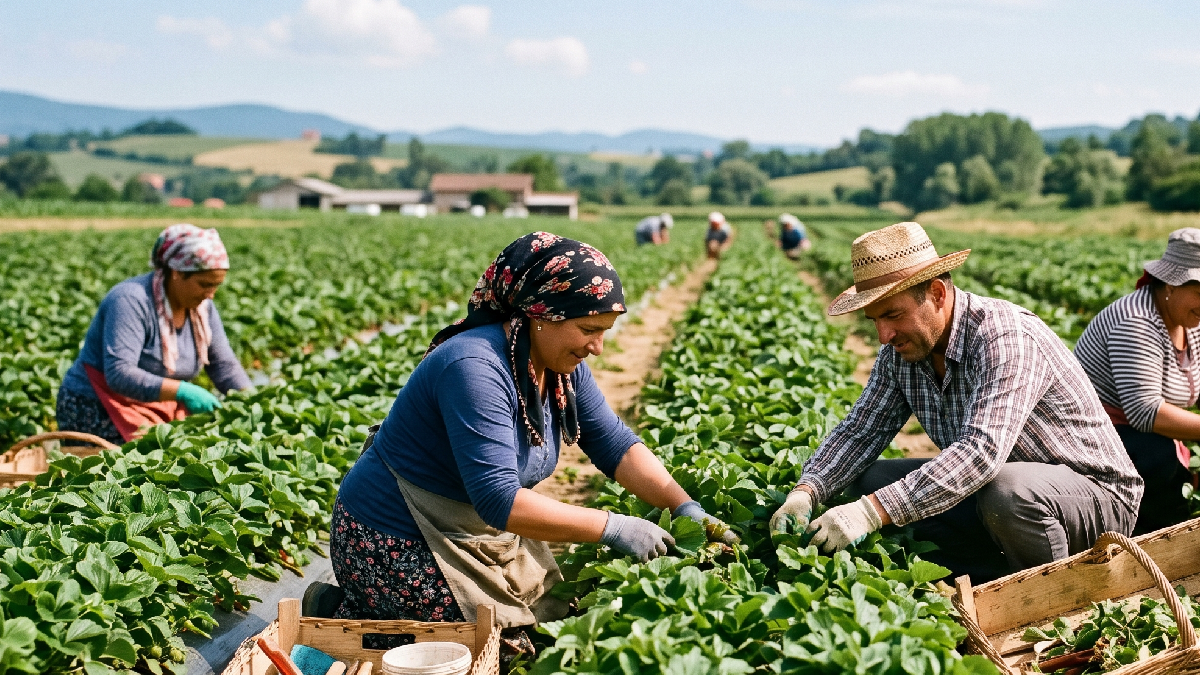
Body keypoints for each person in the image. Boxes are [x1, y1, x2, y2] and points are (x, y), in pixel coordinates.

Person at [329, 232, 736, 632]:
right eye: (588, 329)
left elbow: (615, 444)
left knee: (555, 620)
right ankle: (343, 612)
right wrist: (613, 527)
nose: (597, 346)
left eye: (604, 330)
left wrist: (686, 507)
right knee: (501, 645)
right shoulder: (474, 367)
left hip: (472, 531)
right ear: (542, 316)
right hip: (393, 537)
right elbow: (499, 500)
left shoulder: (561, 368)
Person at [769, 222, 1142, 583]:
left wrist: (872, 512)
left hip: (1092, 496)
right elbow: (861, 432)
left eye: (893, 315)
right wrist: (808, 490)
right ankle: (987, 574)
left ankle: (1052, 594)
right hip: (999, 495)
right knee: (866, 479)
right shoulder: (902, 351)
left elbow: (981, 453)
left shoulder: (1004, 337)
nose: (884, 335)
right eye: (874, 320)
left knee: (1007, 492)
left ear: (937, 294)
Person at [56, 224, 250, 445]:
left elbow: (224, 366)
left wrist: (253, 402)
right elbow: (120, 373)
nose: (211, 294)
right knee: (138, 468)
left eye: (216, 286)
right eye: (204, 284)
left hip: (154, 406)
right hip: (96, 407)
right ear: (177, 273)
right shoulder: (130, 300)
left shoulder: (202, 309)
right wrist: (183, 391)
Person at [1075, 228, 1200, 535]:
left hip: (1138, 432)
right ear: (1172, 283)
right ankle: (1151, 545)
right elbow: (1146, 412)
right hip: (1091, 437)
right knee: (1162, 460)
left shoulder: (1190, 320)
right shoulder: (1136, 321)